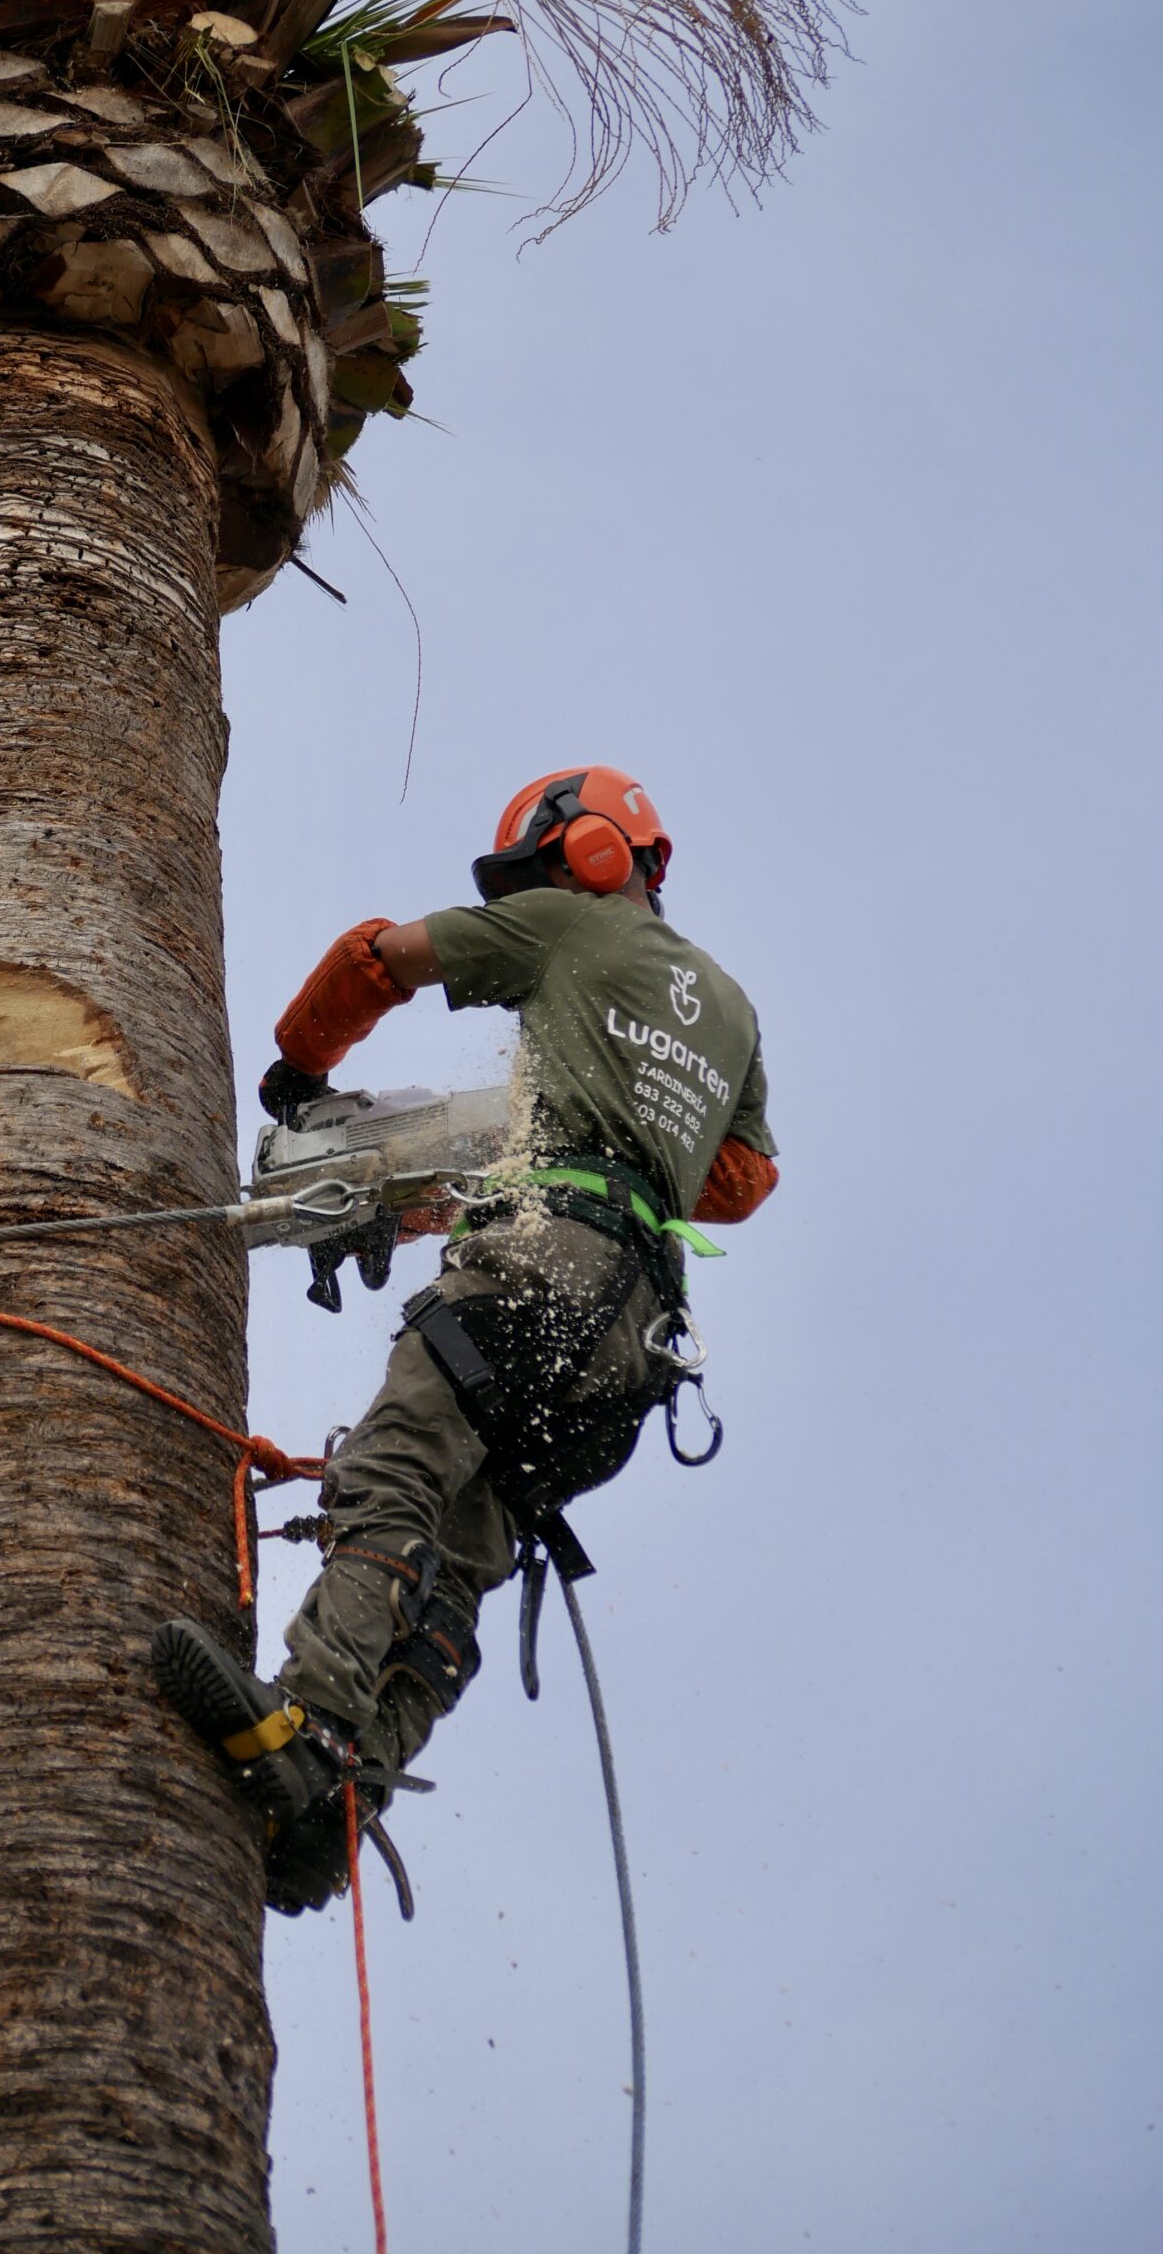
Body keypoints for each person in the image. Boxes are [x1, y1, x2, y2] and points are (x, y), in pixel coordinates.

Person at [153, 768, 779, 1911]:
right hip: (635, 1340)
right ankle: (346, 1799)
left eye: (539, 868)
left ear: (589, 853)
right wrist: (624, 1123)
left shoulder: (562, 921)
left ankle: (309, 1719)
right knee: (462, 1558)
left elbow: (378, 959)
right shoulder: (731, 1007)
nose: (533, 887)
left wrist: (299, 1067)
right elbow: (739, 1181)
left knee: (391, 1476)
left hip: (538, 1268)